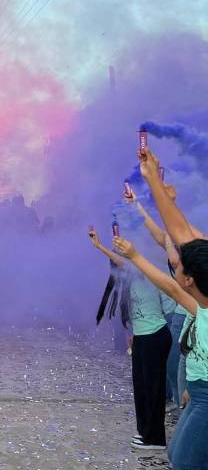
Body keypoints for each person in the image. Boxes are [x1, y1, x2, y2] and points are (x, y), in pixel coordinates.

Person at [113, 147, 208, 468]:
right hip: (198, 391)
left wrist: (153, 181)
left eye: (179, 267)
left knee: (183, 458)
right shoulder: (199, 307)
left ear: (191, 280)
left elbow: (180, 237)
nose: (174, 268)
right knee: (178, 453)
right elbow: (175, 238)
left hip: (205, 395)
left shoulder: (195, 305)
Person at [89, 229, 170, 450]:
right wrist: (131, 334)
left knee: (153, 390)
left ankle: (155, 438)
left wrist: (101, 247)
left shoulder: (143, 272)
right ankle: (144, 432)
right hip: (143, 337)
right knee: (141, 388)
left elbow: (124, 263)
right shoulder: (128, 281)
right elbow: (131, 312)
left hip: (156, 336)